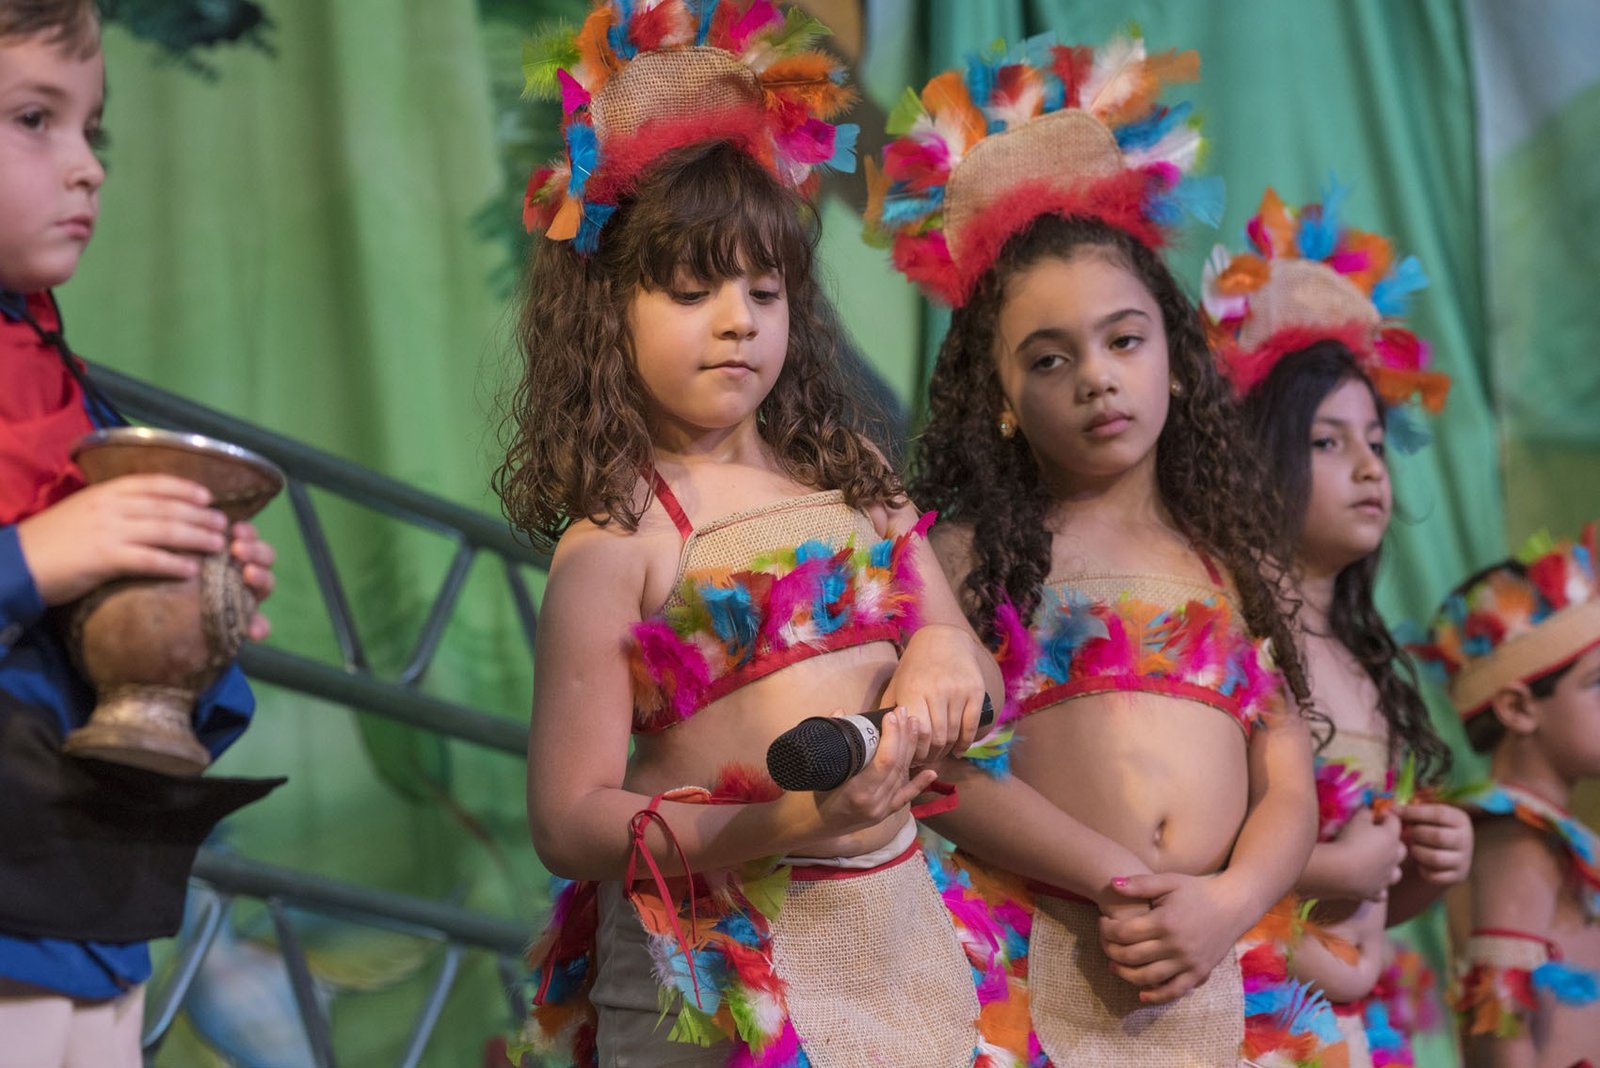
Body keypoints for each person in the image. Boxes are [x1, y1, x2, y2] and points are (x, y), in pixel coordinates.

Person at [500, 4, 1005, 1064]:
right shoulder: (617, 538)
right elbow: (567, 820)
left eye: (764, 291)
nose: (738, 319)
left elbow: (965, 661)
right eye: (694, 290)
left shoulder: (852, 479)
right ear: (606, 311)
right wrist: (781, 824)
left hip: (895, 945)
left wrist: (943, 650)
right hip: (714, 981)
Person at [868, 34, 1345, 1066]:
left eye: (1124, 340)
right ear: (999, 399)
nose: (1096, 377)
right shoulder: (961, 560)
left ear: (1173, 357)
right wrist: (1116, 882)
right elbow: (939, 769)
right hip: (1027, 973)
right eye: (1050, 359)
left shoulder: (1233, 564)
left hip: (1223, 968)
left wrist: (1228, 901)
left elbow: (1288, 784)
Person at [0, 2, 278, 1064]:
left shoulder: (80, 407)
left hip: (91, 913)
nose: (88, 167)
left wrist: (191, 610)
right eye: (34, 118)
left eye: (93, 127)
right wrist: (36, 558)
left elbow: (141, 707)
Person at [1214, 184, 1473, 1065]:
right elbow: (1197, 846)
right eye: (1328, 442)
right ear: (1253, 464)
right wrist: (1341, 868)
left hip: (1347, 1031)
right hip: (1249, 1024)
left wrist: (1422, 871)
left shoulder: (1363, 664)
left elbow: (1366, 910)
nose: (1368, 467)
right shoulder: (1238, 642)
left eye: (1375, 441)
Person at [1410, 529, 1600, 1068]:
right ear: (1518, 708)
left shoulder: (1551, 830)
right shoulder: (1515, 832)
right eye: (1598, 683)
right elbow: (1498, 1010)